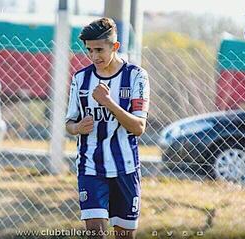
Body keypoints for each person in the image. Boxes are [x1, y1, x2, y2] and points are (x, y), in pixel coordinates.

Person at [65, 17, 150, 239]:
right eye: (89, 50)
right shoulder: (80, 79)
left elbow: (139, 127)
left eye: (99, 50)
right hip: (90, 167)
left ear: (115, 47)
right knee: (95, 233)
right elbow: (69, 124)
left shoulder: (136, 76)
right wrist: (77, 128)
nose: (94, 56)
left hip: (126, 168)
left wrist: (108, 102)